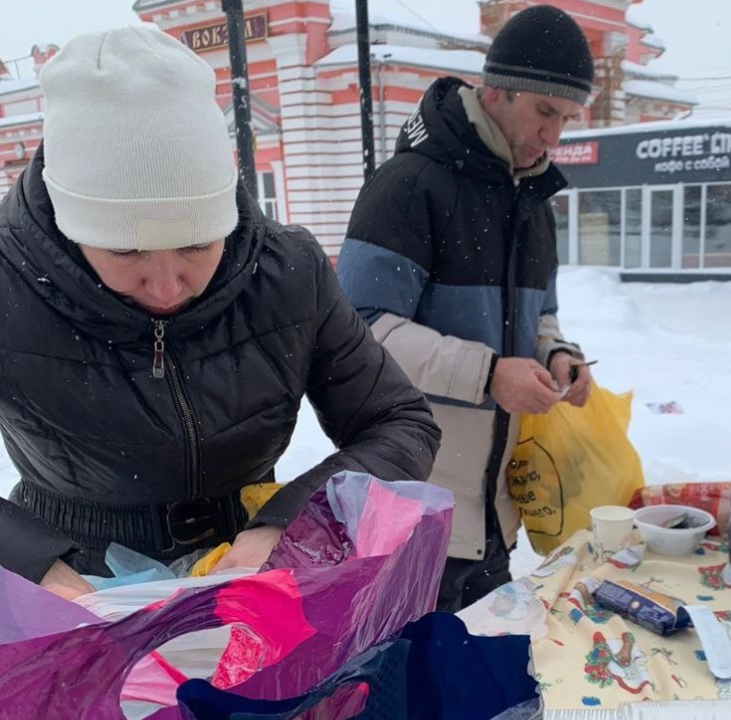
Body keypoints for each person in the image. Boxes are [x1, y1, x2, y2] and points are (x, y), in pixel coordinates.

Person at [0, 26, 440, 600]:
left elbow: (401, 423)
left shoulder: (288, 272)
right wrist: (31, 561)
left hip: (257, 575)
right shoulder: (9, 283)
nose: (166, 285)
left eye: (196, 244)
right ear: (68, 226)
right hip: (72, 589)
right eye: (125, 251)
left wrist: (294, 520)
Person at [336, 5, 595, 612]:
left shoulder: (533, 197)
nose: (554, 136)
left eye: (568, 118)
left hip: (495, 517)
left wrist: (556, 354)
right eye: (545, 112)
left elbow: (541, 315)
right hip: (413, 512)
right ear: (497, 93)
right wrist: (487, 374)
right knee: (410, 692)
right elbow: (360, 332)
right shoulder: (407, 186)